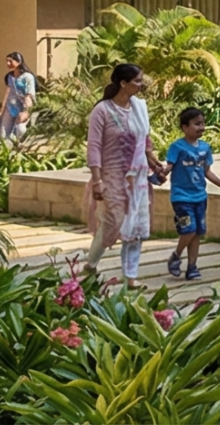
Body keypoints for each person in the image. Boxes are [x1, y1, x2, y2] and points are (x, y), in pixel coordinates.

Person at [84, 63, 157, 283]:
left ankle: (130, 275)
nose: (140, 85)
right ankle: (91, 265)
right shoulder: (103, 110)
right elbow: (94, 146)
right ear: (123, 83)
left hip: (138, 177)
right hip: (112, 176)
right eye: (136, 81)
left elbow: (145, 139)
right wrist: (97, 181)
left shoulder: (138, 108)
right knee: (113, 222)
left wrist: (154, 161)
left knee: (136, 223)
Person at [163, 107, 220, 281]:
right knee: (188, 230)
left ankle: (192, 267)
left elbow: (207, 172)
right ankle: (176, 256)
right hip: (181, 198)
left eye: (203, 123)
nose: (201, 127)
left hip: (200, 197)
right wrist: (161, 172)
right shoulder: (177, 147)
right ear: (184, 127)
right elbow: (169, 166)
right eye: (197, 124)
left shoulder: (205, 148)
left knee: (197, 232)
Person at [0, 52, 36, 143]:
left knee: (20, 129)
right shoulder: (9, 77)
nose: (8, 64)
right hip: (10, 107)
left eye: (10, 61)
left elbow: (29, 96)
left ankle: (20, 149)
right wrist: (2, 110)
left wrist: (26, 111)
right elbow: (7, 93)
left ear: (18, 62)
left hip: (23, 107)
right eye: (7, 61)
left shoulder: (27, 77)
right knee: (2, 134)